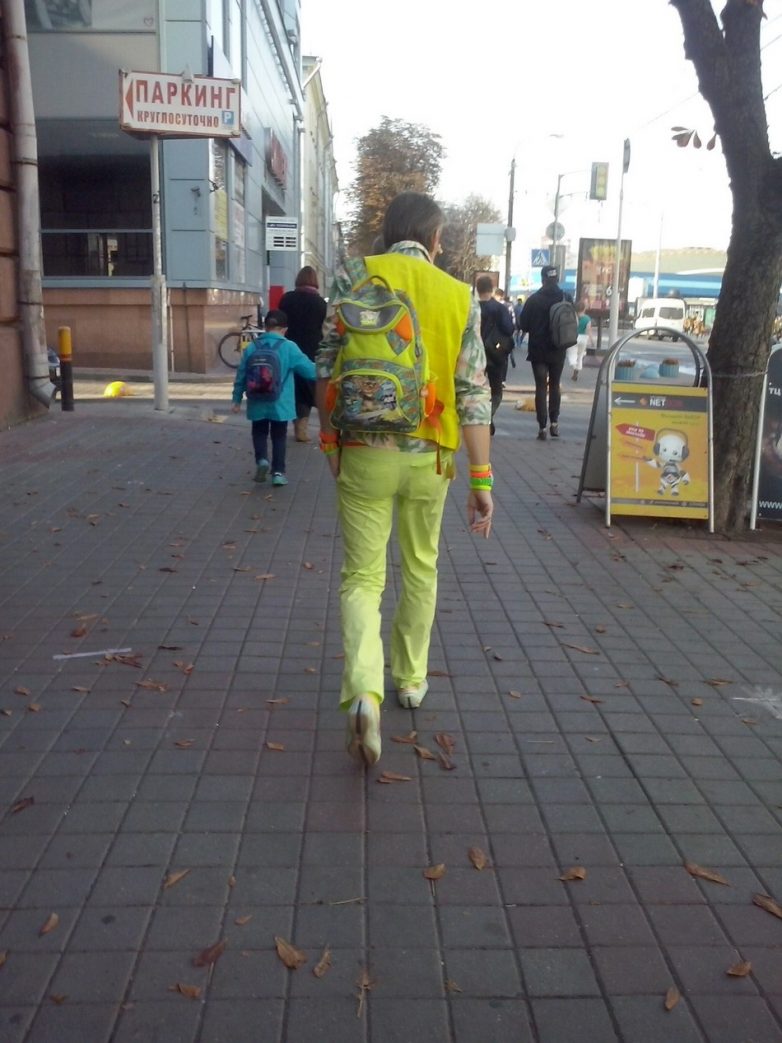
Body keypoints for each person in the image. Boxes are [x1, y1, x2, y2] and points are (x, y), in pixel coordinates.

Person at [316, 192, 493, 767]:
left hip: (363, 449)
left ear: (389, 232)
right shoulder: (460, 296)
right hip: (431, 456)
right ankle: (411, 680)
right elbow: (473, 394)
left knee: (362, 578)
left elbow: (325, 364)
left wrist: (328, 440)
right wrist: (481, 479)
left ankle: (363, 693)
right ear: (435, 239)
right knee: (421, 567)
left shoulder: (353, 276)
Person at [231, 309, 316, 486]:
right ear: (285, 329)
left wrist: (236, 399)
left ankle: (261, 460)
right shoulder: (289, 347)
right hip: (280, 402)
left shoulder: (252, 347)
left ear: (266, 327)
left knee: (259, 432)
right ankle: (278, 472)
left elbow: (241, 375)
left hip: (257, 400)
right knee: (279, 436)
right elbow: (309, 371)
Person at [518, 265, 572, 440]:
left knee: (541, 387)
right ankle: (554, 423)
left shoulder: (533, 300)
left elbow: (523, 325)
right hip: (558, 348)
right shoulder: (566, 297)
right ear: (557, 279)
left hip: (538, 350)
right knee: (555, 385)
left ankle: (542, 427)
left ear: (542, 280)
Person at [279, 266, 327, 443]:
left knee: (292, 386)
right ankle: (302, 426)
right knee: (308, 388)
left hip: (288, 348)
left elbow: (281, 322)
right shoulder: (321, 304)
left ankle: (291, 423)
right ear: (315, 281)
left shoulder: (287, 299)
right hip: (312, 350)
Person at [476, 275, 515, 436]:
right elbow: (509, 329)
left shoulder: (472, 308)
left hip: (475, 353)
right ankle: (489, 415)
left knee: (475, 389)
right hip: (495, 353)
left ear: (477, 289)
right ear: (492, 289)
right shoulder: (500, 308)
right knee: (497, 390)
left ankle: (477, 417)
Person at [567, 300, 593, 381]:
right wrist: (591, 340)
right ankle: (576, 371)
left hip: (574, 337)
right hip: (584, 338)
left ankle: (574, 365)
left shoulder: (572, 317)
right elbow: (588, 330)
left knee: (571, 354)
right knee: (580, 356)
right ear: (584, 309)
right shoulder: (587, 318)